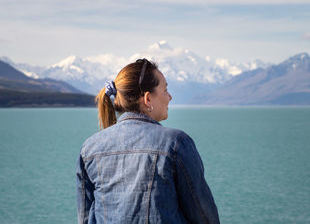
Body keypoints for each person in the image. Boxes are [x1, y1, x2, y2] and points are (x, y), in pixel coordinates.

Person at [76, 58, 220, 224]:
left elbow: (85, 218)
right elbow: (203, 215)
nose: (170, 97)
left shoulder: (89, 148)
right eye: (165, 89)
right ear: (147, 99)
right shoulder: (176, 143)